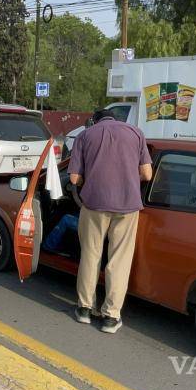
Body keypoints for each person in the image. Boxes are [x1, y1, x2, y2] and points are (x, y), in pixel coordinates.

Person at [68, 108, 153, 333]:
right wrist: (127, 177)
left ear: (94, 121)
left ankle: (84, 309)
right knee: (119, 260)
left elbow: (74, 178)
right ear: (117, 119)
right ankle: (110, 317)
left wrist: (91, 177)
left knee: (90, 255)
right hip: (127, 205)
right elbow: (147, 174)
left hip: (94, 205)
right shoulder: (136, 133)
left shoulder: (84, 136)